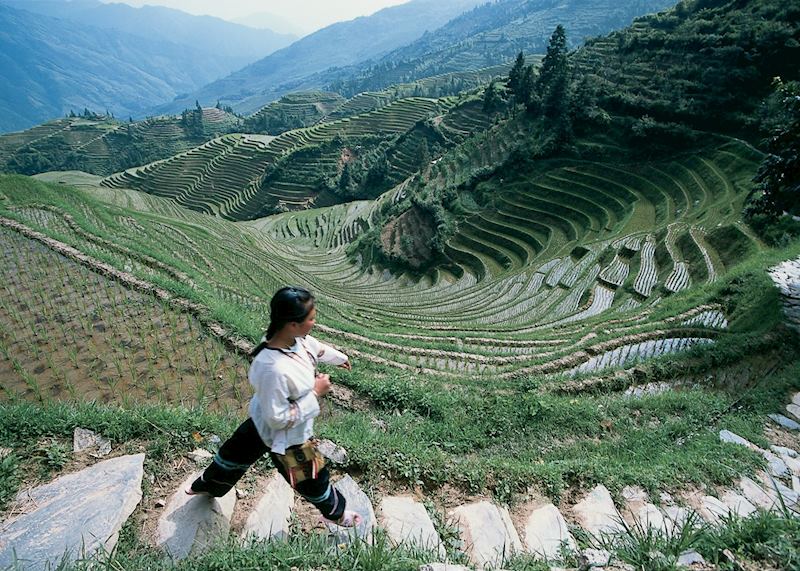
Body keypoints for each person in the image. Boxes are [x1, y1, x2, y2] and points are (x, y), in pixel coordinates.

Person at [187, 285, 361, 527]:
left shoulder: (293, 340)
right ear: (292, 323)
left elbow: (316, 347)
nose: (314, 321)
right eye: (311, 318)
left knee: (233, 455)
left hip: (260, 422)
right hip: (287, 437)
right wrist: (314, 392)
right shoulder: (273, 368)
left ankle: (206, 485)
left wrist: (339, 358)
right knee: (313, 478)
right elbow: (278, 419)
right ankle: (336, 513)